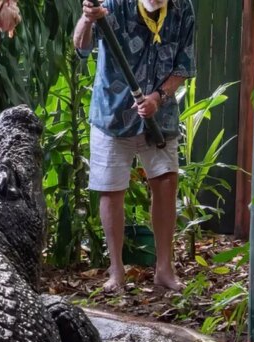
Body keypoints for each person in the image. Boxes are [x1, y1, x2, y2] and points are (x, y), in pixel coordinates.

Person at [73, 0, 196, 291]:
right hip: (112, 114)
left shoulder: (183, 9)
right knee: (111, 188)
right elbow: (81, 47)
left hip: (160, 114)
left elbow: (183, 65)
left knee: (166, 181)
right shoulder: (113, 4)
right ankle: (116, 273)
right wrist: (89, 19)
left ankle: (164, 270)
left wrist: (159, 97)